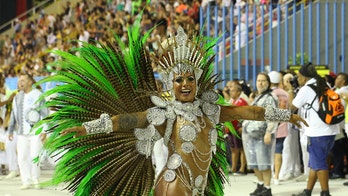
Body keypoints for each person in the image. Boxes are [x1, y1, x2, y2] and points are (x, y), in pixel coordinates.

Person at [39, 23, 307, 196]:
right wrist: (88, 127)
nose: (186, 84)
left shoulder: (210, 110)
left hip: (197, 186)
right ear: (171, 83)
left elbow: (249, 112)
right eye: (179, 80)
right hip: (174, 185)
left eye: (190, 78)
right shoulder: (165, 113)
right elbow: (126, 121)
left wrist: (288, 116)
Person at [291, 63, 339, 196]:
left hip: (317, 132)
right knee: (315, 162)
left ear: (305, 77)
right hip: (330, 130)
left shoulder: (306, 89)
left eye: (299, 77)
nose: (298, 79)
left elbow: (291, 107)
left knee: (319, 164)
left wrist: (291, 90)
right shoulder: (323, 84)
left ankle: (325, 192)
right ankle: (308, 191)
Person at [7, 73, 48, 190]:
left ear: (30, 82)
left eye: (23, 80)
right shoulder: (17, 97)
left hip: (36, 132)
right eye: (19, 80)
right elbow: (13, 116)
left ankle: (35, 179)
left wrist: (45, 130)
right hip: (21, 133)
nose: (20, 82)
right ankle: (26, 181)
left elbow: (45, 114)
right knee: (22, 158)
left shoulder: (38, 95)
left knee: (35, 156)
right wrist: (10, 130)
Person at [243, 72, 279, 196]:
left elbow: (273, 116)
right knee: (254, 163)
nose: (260, 83)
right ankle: (260, 184)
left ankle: (267, 188)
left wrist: (269, 132)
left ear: (268, 83)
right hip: (251, 136)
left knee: (264, 163)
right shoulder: (258, 97)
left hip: (262, 135)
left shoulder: (269, 97)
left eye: (263, 81)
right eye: (258, 80)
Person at [268, 71, 290, 185]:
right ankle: (276, 176)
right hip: (282, 125)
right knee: (278, 151)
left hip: (270, 127)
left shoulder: (269, 94)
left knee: (268, 152)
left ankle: (270, 175)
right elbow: (289, 109)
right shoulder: (285, 94)